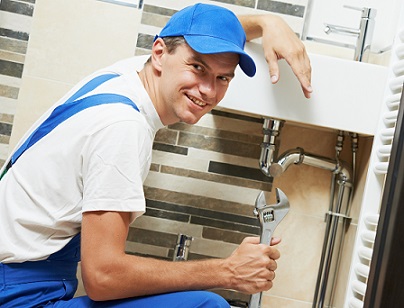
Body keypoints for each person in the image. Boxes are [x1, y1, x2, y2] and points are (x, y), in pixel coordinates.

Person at [0, 3, 311, 307]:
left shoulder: (127, 75)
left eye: (223, 78)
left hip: (20, 279)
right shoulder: (122, 127)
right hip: (18, 296)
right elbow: (102, 277)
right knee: (207, 305)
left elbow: (196, 34)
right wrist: (227, 271)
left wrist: (268, 23)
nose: (208, 90)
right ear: (159, 53)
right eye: (198, 68)